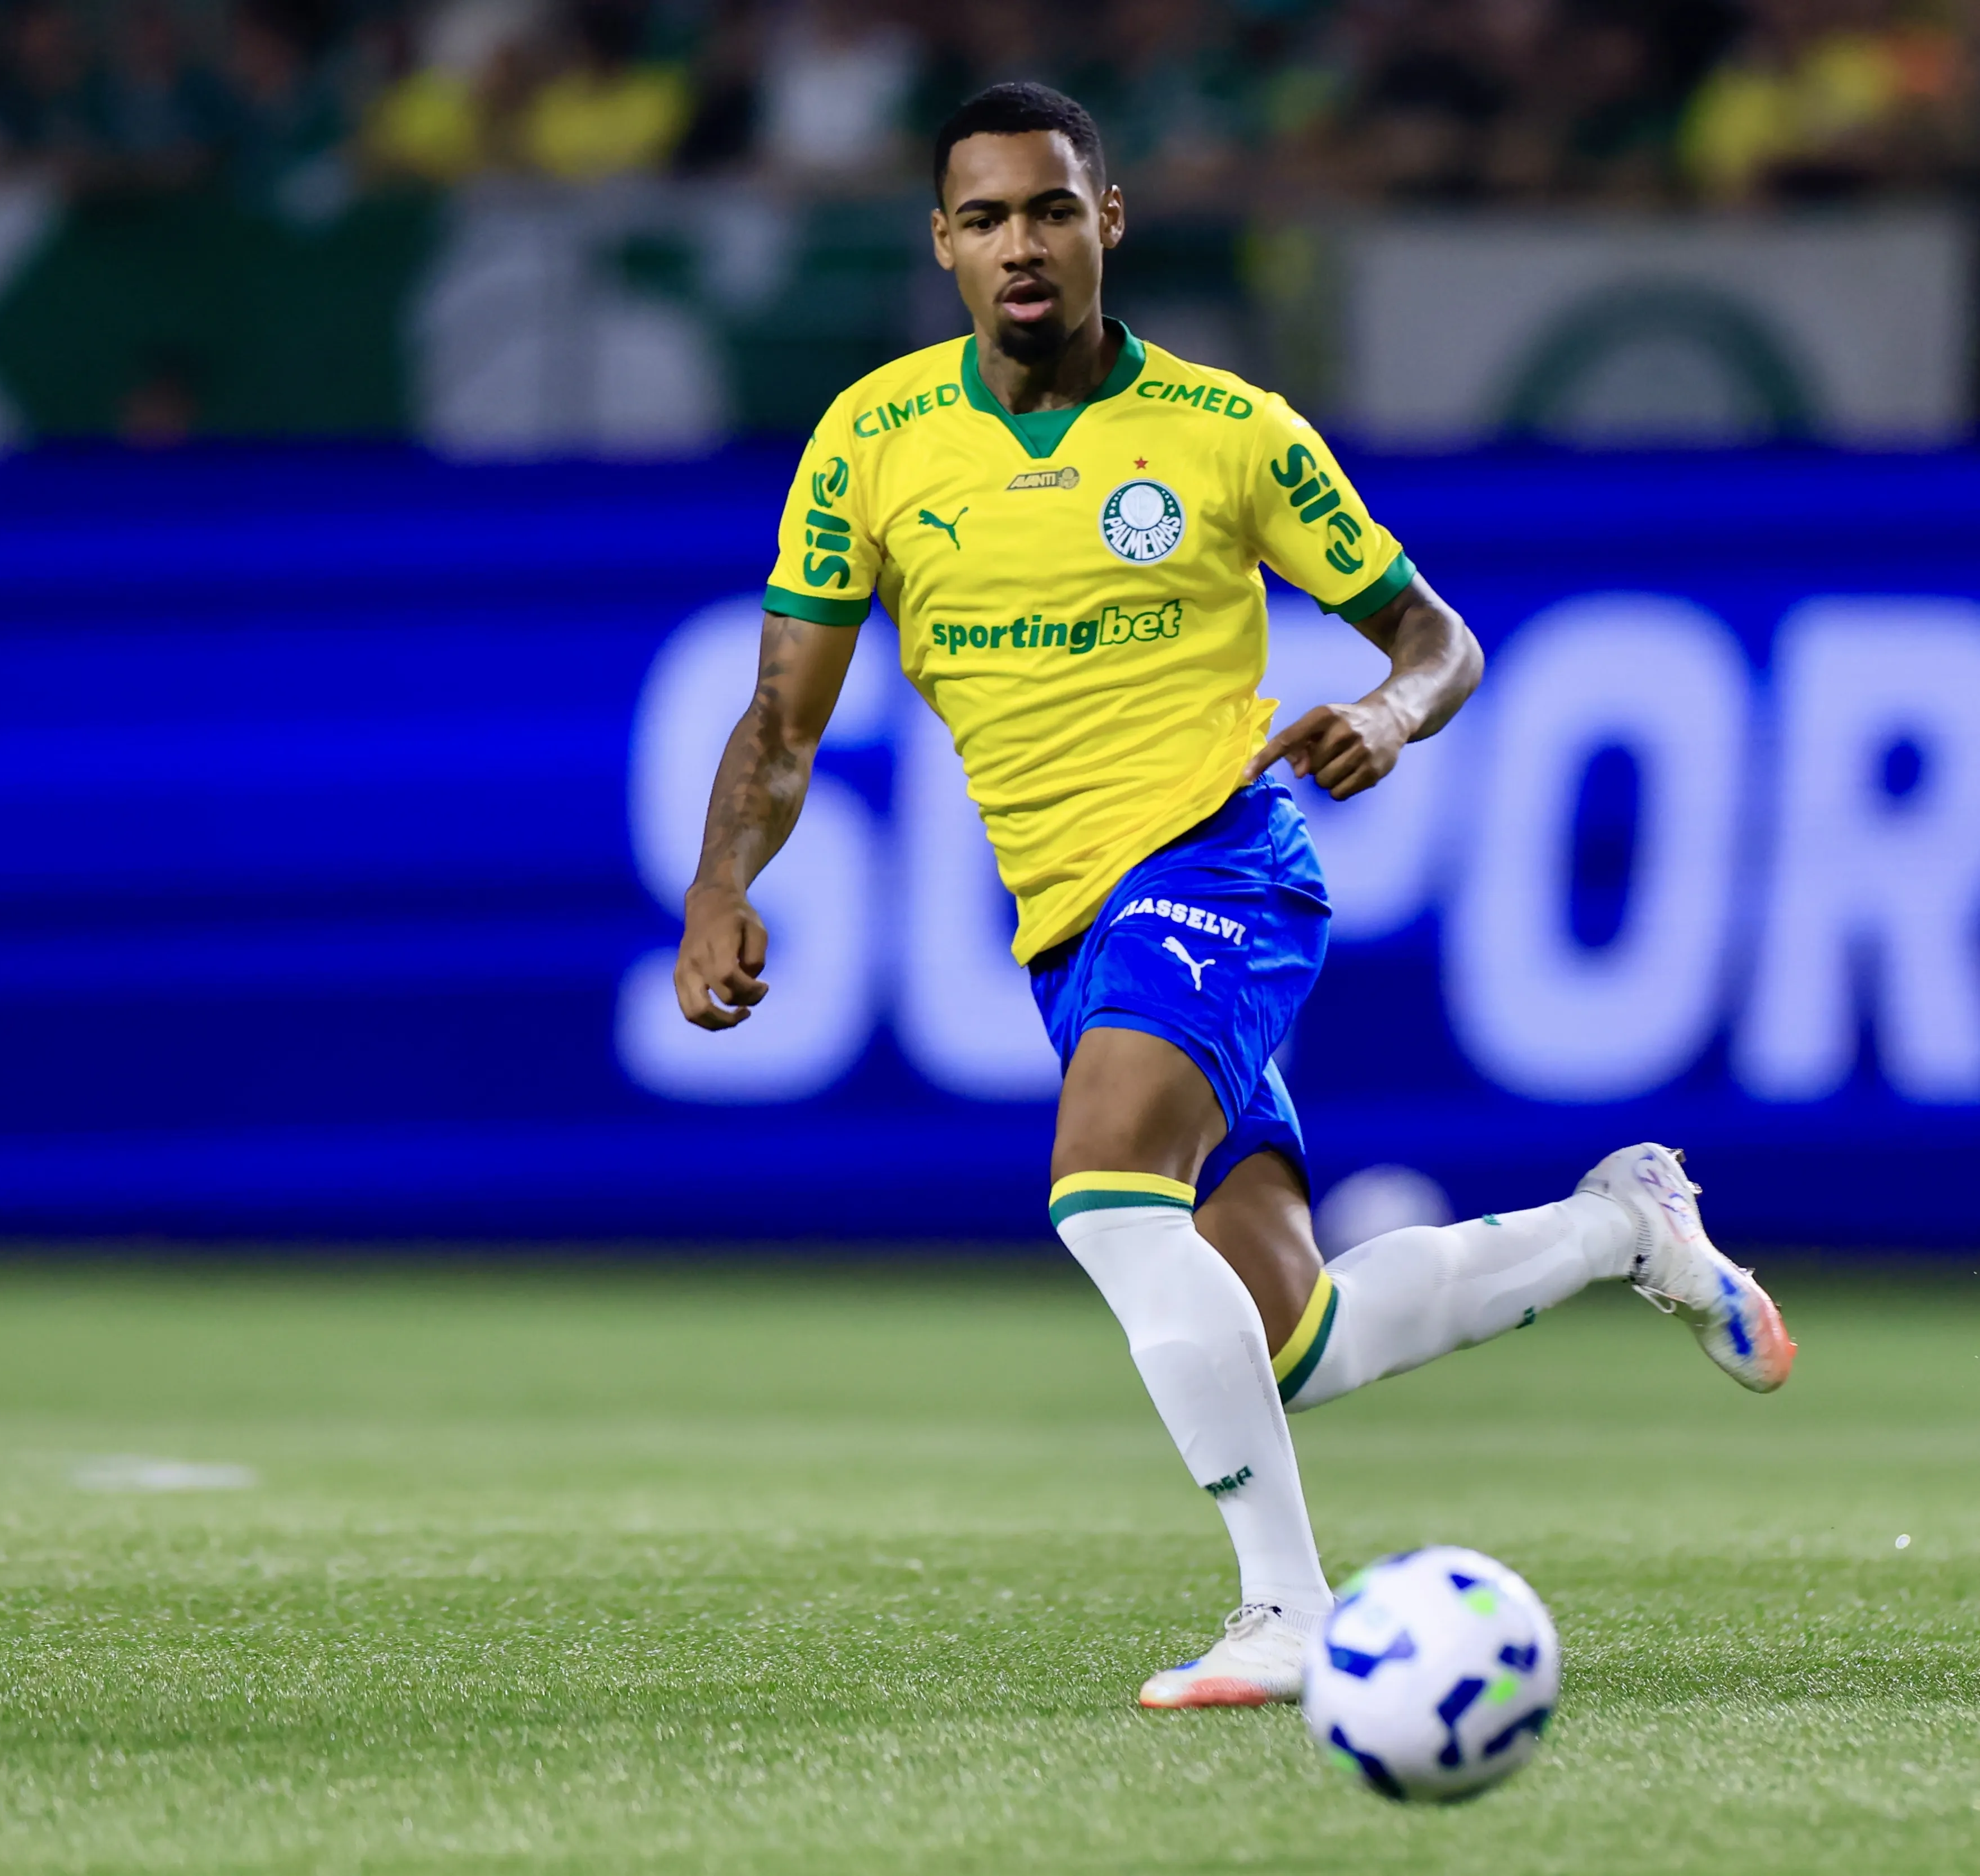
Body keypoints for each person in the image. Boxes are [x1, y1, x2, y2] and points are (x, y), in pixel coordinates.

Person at [670, 81, 1795, 1711]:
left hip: (1216, 870)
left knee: (1099, 1189)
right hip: (1069, 929)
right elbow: (782, 718)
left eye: (1051, 208)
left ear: (1107, 220)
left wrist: (1388, 716)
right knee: (1292, 1341)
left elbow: (1436, 638)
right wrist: (720, 884)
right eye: (983, 218)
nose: (1020, 245)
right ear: (940, 245)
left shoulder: (1229, 429)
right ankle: (1624, 1225)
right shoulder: (870, 441)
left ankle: (1287, 1614)